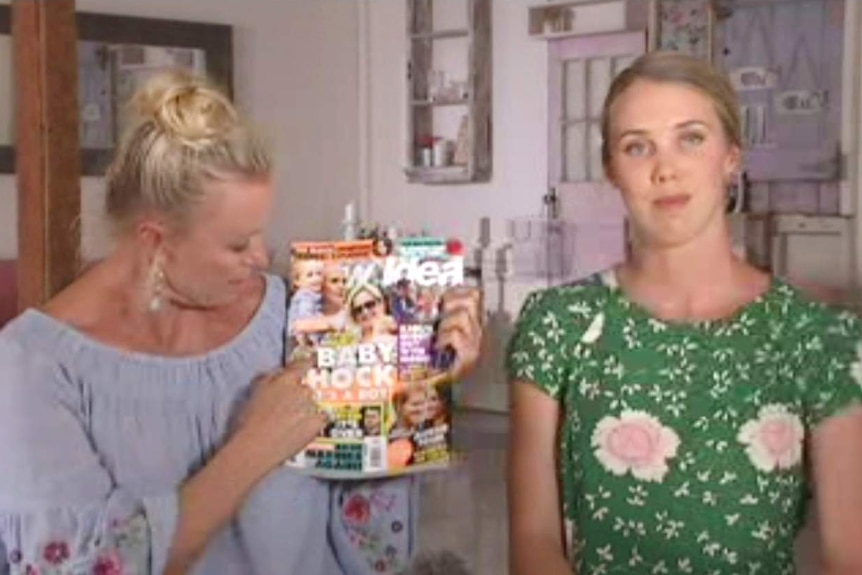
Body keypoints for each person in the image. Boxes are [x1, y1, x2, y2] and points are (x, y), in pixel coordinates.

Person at [0, 70, 484, 575]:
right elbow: (88, 566)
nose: (261, 257)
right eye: (237, 244)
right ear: (154, 242)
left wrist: (421, 378)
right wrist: (256, 445)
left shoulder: (294, 317)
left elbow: (372, 549)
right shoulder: (31, 368)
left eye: (260, 233)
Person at [507, 52, 862, 575]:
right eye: (637, 147)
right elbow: (533, 543)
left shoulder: (819, 337)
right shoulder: (559, 324)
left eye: (690, 138)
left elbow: (847, 556)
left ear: (731, 156)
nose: (665, 168)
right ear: (612, 170)